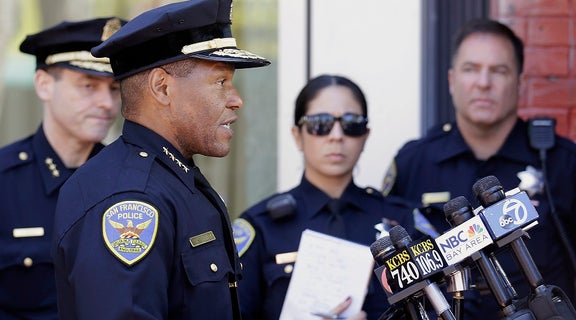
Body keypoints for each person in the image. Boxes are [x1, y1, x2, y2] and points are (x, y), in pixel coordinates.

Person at [50, 0, 270, 319]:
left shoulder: (172, 179)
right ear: (162, 87)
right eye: (221, 82)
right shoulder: (130, 198)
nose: (236, 100)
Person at [382, 18, 576, 319]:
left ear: (519, 83)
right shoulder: (414, 163)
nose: (483, 83)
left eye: (499, 71)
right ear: (451, 80)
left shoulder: (562, 162)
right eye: (471, 69)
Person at [0, 17, 125, 319]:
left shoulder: (128, 182)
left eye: (114, 88)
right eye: (88, 85)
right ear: (44, 85)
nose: (106, 103)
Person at [233, 74, 417, 320]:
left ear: (365, 135)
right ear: (297, 135)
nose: (336, 135)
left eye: (351, 123)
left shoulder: (400, 223)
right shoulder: (261, 227)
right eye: (320, 123)